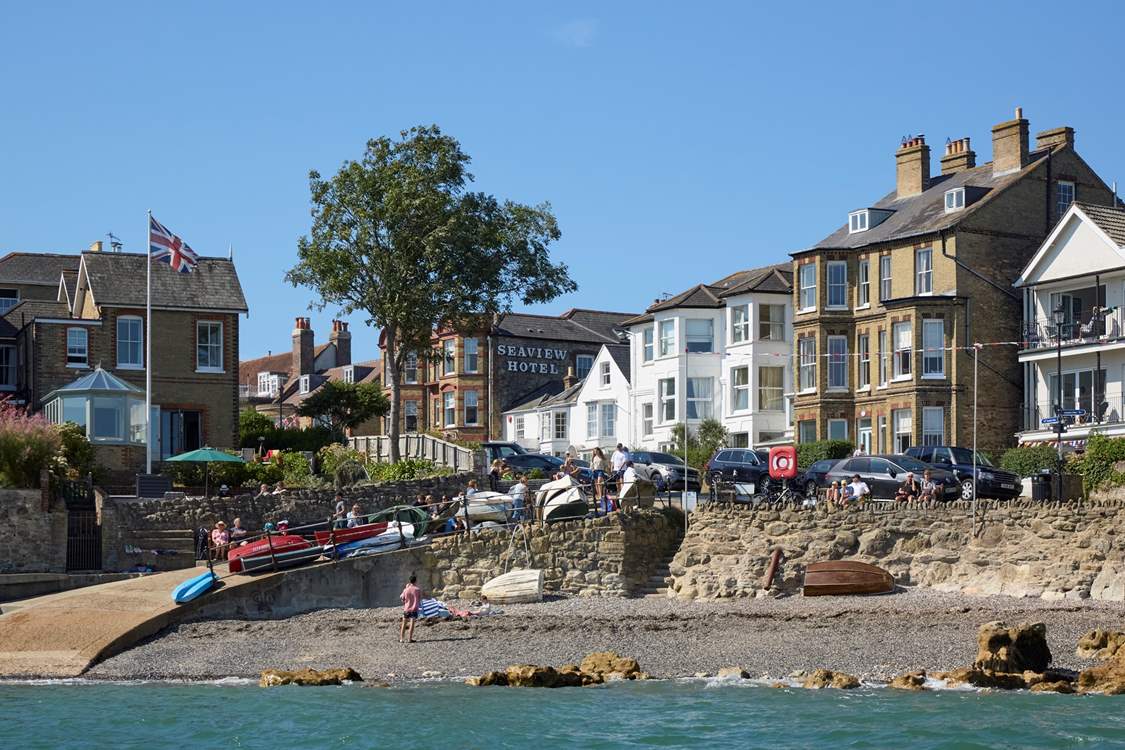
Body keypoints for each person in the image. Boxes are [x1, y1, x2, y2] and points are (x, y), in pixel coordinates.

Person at [400, 574, 422, 643]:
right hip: (414, 608)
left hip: (406, 608)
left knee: (404, 623)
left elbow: (402, 598)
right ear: (415, 581)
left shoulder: (406, 589)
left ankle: (401, 639)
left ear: (409, 581)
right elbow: (419, 599)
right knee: (412, 623)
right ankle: (409, 638)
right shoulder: (417, 590)